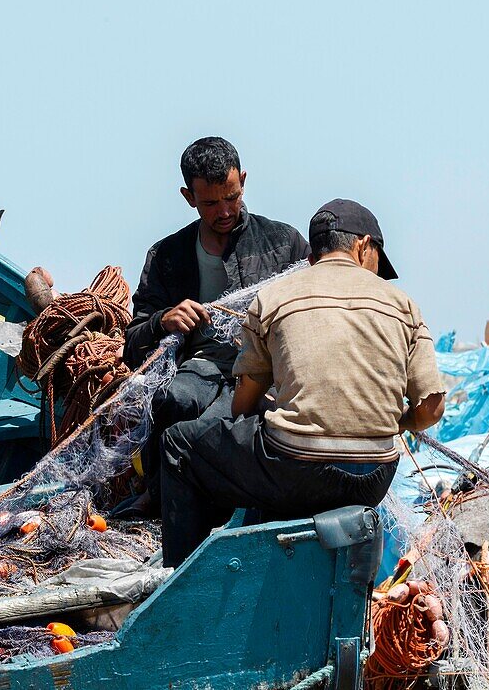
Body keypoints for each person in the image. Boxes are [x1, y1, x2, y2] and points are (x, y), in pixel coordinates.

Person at [159, 198, 445, 567]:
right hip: (375, 475)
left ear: (312, 258)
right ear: (363, 246)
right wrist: (397, 423)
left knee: (177, 445)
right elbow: (432, 408)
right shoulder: (404, 305)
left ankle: (184, 588)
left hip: (296, 469)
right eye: (378, 259)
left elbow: (242, 406)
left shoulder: (274, 297)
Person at [119, 137, 309, 516]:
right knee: (172, 400)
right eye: (210, 203)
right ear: (188, 197)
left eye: (232, 197)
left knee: (223, 422)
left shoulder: (284, 243)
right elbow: (132, 345)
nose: (224, 211)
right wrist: (162, 320)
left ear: (243, 181)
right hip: (201, 368)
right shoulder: (166, 256)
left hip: (264, 370)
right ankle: (159, 494)